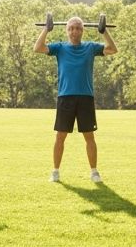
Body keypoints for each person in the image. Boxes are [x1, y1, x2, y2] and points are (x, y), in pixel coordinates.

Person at [34, 16, 117, 183]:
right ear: (67, 31)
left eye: (78, 28)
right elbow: (38, 48)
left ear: (82, 30)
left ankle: (94, 172)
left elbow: (112, 49)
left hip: (85, 97)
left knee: (89, 136)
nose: (74, 31)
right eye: (71, 28)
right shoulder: (60, 47)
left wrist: (104, 31)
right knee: (60, 136)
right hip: (66, 97)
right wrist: (46, 30)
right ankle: (55, 171)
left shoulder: (90, 47)